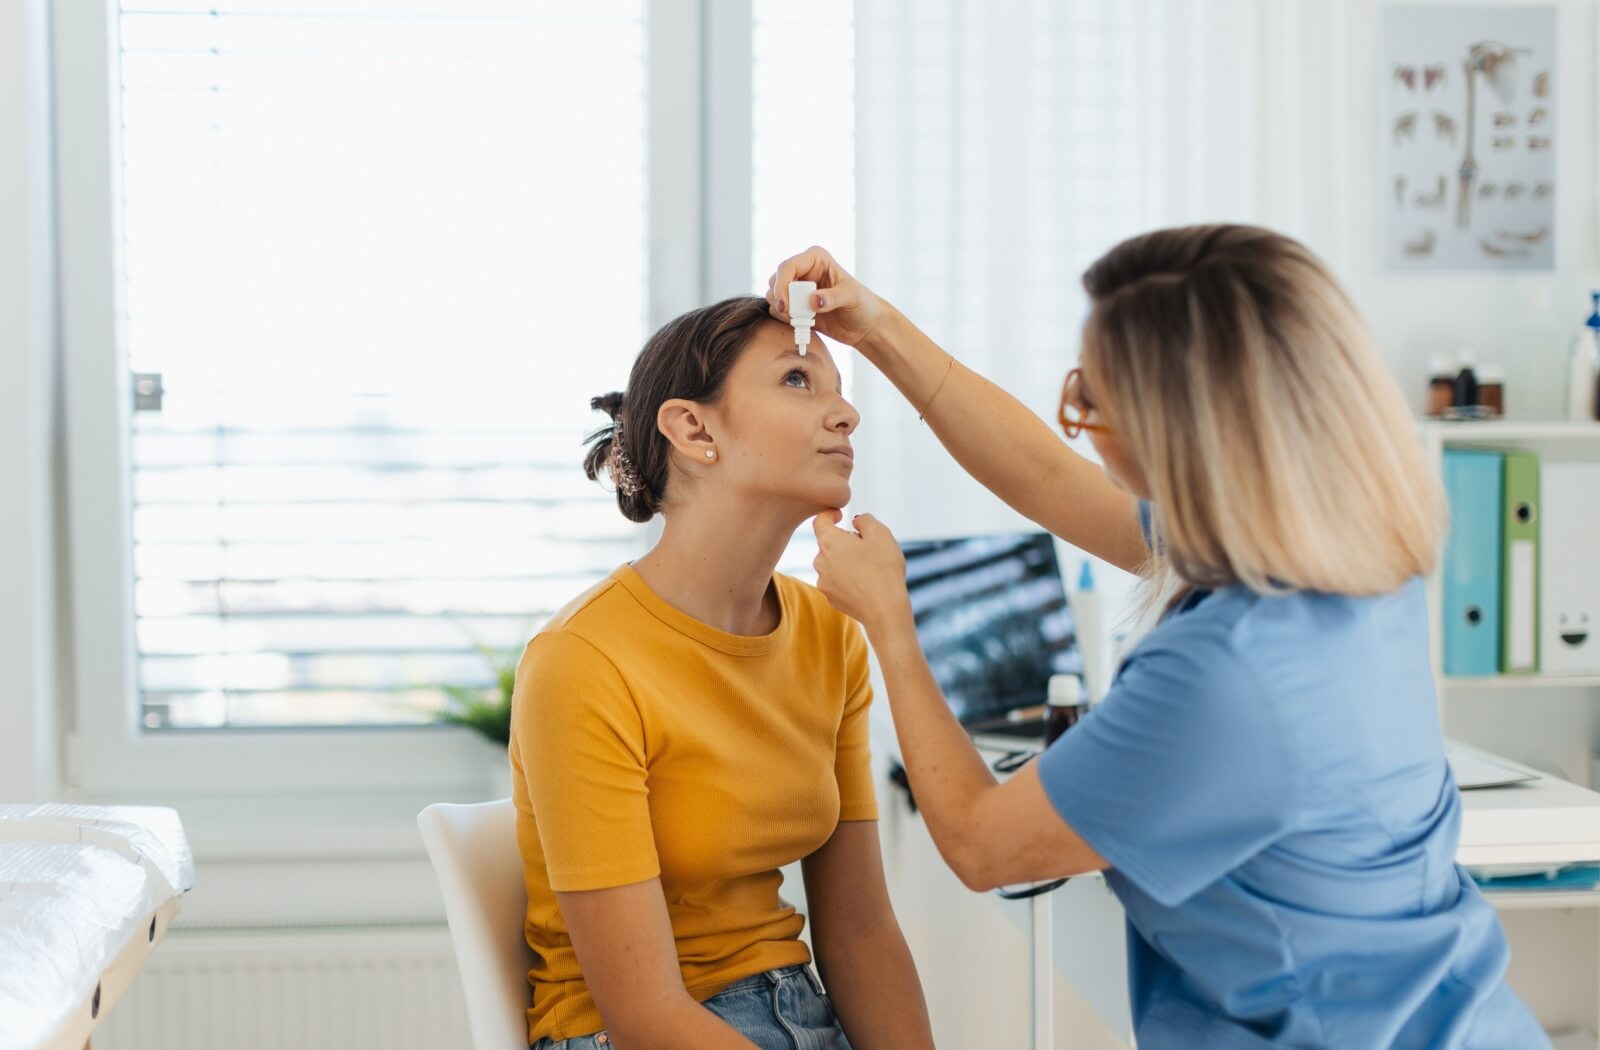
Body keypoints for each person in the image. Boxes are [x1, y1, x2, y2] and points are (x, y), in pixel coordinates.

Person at [767, 226, 1546, 1048]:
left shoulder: (1226, 675)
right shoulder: (1345, 554)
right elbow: (1046, 477)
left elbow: (979, 843)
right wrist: (877, 327)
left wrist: (891, 621)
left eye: (1093, 400)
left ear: (1180, 432)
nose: (1078, 424)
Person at [510, 295, 934, 1050]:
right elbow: (645, 1016)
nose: (845, 415)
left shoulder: (831, 632)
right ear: (694, 428)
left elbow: (862, 933)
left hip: (800, 1013)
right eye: (800, 381)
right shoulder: (582, 660)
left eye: (839, 389)